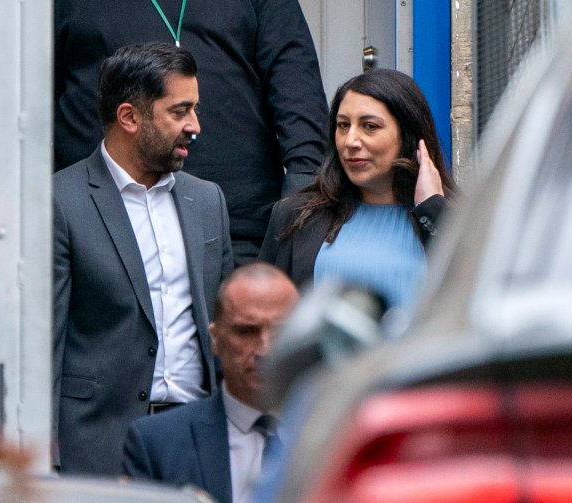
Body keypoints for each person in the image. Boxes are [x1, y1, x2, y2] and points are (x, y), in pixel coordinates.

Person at [53, 42, 234, 475]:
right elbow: (46, 343)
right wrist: (46, 458)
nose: (195, 125)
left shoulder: (207, 201)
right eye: (179, 111)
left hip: (198, 439)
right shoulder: (60, 202)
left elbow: (227, 331)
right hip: (100, 446)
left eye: (194, 109)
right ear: (129, 117)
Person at [54, 0, 328, 265]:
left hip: (240, 227)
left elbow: (296, 83)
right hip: (105, 230)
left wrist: (302, 192)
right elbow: (28, 98)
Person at [259, 68, 456, 309]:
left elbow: (475, 297)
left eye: (370, 126)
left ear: (408, 135)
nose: (350, 141)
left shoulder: (453, 216)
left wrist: (432, 209)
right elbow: (262, 315)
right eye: (343, 125)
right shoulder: (296, 216)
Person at [121, 262, 300, 503]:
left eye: (281, 332)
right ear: (215, 339)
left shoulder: (338, 438)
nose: (264, 349)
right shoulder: (157, 444)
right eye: (246, 331)